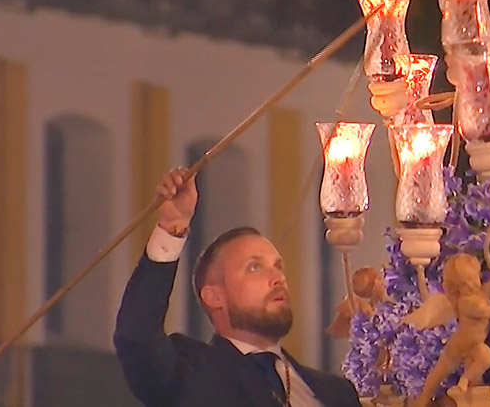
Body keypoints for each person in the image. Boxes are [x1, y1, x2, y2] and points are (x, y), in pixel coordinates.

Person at [114, 167, 361, 407]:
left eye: (278, 266)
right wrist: (173, 226)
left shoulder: (336, 392)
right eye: (255, 267)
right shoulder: (191, 373)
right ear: (214, 296)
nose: (277, 278)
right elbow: (136, 336)